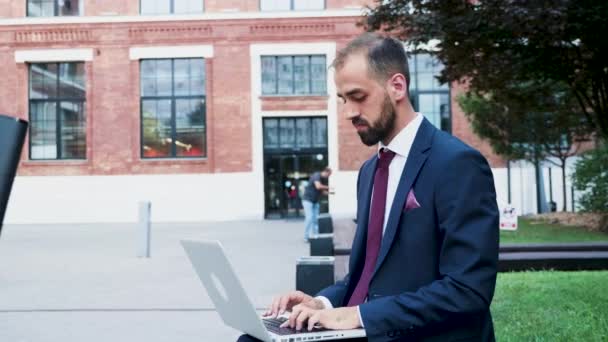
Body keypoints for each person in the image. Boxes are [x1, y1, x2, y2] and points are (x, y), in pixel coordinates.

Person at [238, 33, 499, 342]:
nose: (348, 112)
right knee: (254, 339)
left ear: (397, 87)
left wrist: (358, 316)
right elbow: (365, 277)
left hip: (416, 333)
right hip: (367, 329)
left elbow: (468, 289)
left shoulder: (457, 164)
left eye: (358, 97)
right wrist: (321, 303)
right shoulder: (370, 171)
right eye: (342, 100)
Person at [301, 167, 332, 241]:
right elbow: (318, 186)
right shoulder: (316, 175)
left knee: (315, 220)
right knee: (309, 218)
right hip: (308, 200)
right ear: (326, 172)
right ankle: (306, 237)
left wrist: (330, 193)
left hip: (315, 201)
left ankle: (315, 236)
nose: (329, 176)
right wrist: (329, 187)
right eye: (329, 174)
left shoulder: (322, 179)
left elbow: (322, 191)